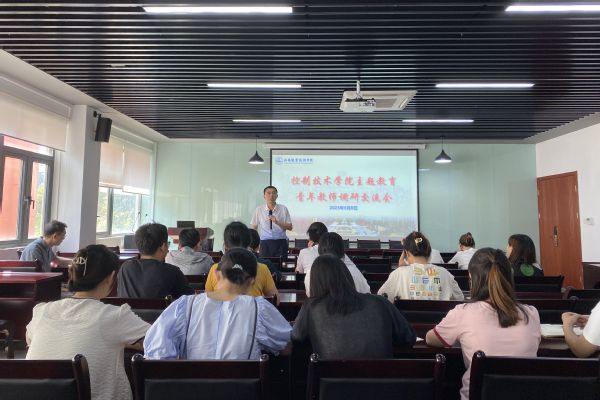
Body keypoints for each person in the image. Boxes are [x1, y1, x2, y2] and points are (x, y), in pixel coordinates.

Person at [26, 245, 150, 400]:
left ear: (72, 274)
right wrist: (126, 342)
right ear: (111, 277)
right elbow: (158, 341)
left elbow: (31, 340)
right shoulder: (113, 315)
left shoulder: (42, 311)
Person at [425, 248, 541, 400]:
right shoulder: (531, 313)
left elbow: (431, 339)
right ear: (509, 277)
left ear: (471, 278)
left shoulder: (462, 313)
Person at [144, 248, 291, 360]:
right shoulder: (259, 309)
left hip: (191, 388)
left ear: (217, 274)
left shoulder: (185, 306)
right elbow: (286, 346)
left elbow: (156, 352)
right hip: (240, 389)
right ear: (252, 281)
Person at [292, 254, 416, 358]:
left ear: (315, 282)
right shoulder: (380, 302)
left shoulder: (311, 307)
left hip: (331, 380)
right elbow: (409, 338)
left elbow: (296, 338)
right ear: (346, 276)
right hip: (381, 378)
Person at [378, 231, 464, 301]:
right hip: (441, 318)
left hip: (406, 318)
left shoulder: (398, 274)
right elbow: (459, 299)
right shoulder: (445, 274)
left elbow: (381, 298)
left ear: (407, 253)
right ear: (429, 252)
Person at [118, 223, 194, 298]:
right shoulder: (173, 272)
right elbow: (190, 299)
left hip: (128, 307)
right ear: (163, 246)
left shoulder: (125, 268)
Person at [205, 222, 278, 298]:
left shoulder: (215, 269)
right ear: (248, 244)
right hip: (251, 306)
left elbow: (208, 299)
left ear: (225, 245)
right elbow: (275, 299)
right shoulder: (262, 269)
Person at [304, 232, 370, 297]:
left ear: (319, 251)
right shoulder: (354, 273)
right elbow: (366, 294)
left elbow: (310, 295)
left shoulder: (310, 273)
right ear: (343, 252)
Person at [250, 185, 292, 258]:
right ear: (264, 196)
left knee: (281, 264)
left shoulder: (283, 209)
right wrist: (255, 243)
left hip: (281, 242)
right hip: (265, 242)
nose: (271, 195)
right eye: (268, 193)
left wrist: (277, 222)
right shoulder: (259, 209)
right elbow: (254, 227)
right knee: (264, 263)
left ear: (277, 196)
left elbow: (290, 227)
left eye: (273, 193)